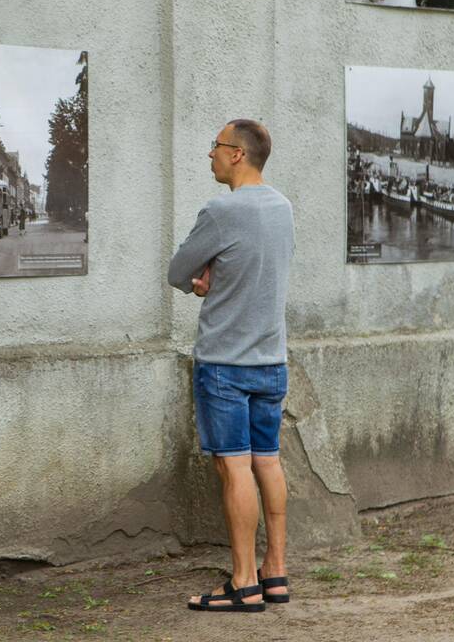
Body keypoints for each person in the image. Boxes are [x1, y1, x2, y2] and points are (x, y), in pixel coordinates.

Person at [167, 119, 294, 613]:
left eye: (216, 146)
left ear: (238, 154)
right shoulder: (284, 208)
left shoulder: (221, 211)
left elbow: (178, 270)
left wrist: (201, 281)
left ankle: (243, 583)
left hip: (225, 362)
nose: (210, 155)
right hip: (272, 358)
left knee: (234, 467)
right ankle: (275, 572)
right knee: (268, 460)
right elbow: (264, 269)